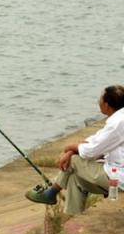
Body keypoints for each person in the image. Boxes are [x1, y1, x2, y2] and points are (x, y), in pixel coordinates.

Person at [25, 85, 124, 215]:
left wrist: (69, 149)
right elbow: (96, 140)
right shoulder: (119, 118)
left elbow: (90, 151)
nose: (98, 101)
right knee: (75, 179)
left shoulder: (117, 123)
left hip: (118, 179)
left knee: (74, 160)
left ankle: (52, 191)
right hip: (116, 174)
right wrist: (73, 150)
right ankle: (73, 215)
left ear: (106, 105)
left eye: (100, 98)